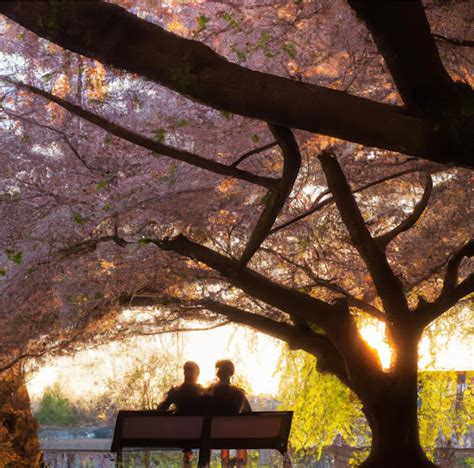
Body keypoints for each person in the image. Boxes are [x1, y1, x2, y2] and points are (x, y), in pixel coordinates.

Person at [157, 361, 205, 466]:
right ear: (197, 375)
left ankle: (187, 459)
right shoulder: (202, 392)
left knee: (185, 429)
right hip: (200, 434)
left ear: (184, 373)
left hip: (178, 434)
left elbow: (160, 410)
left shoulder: (176, 392)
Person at [207, 360, 251, 467]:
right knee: (239, 434)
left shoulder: (209, 391)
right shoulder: (238, 393)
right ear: (231, 373)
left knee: (223, 434)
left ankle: (225, 464)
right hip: (235, 435)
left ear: (218, 373)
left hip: (214, 434)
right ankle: (240, 464)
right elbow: (249, 413)